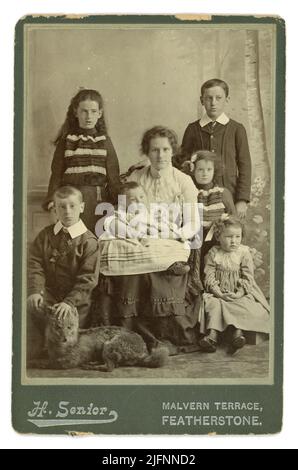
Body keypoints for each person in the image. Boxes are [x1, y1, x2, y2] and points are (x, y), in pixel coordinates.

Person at [27, 186, 99, 360]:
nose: (67, 212)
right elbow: (35, 264)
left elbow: (88, 278)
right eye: (62, 207)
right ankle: (37, 348)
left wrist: (69, 302)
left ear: (81, 207)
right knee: (32, 308)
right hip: (50, 296)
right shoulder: (45, 235)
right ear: (54, 209)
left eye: (72, 206)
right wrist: (36, 290)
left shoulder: (88, 241)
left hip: (76, 303)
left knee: (67, 346)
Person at [43, 88, 120, 232]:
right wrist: (52, 202)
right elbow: (56, 174)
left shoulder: (104, 141)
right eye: (84, 111)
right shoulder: (66, 141)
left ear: (100, 113)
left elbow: (113, 177)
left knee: (93, 241)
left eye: (93, 111)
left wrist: (118, 203)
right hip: (70, 201)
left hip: (97, 201)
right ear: (75, 112)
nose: (88, 116)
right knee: (73, 238)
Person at [178, 78, 251, 221]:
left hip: (229, 195)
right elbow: (183, 161)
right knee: (199, 234)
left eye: (218, 98)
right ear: (202, 100)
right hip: (199, 195)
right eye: (209, 98)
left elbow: (245, 166)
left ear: (227, 100)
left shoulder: (237, 129)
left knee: (228, 235)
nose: (213, 103)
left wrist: (242, 199)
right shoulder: (193, 129)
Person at [198, 216, 270, 353]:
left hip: (239, 291)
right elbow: (209, 276)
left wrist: (239, 293)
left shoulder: (244, 253)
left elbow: (248, 277)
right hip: (218, 292)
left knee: (243, 305)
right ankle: (212, 335)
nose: (234, 241)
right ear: (218, 237)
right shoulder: (213, 253)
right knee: (213, 305)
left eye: (238, 236)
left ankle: (238, 334)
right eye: (229, 237)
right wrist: (218, 293)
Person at [184, 150, 236, 296]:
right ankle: (196, 290)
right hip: (196, 237)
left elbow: (233, 218)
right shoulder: (190, 192)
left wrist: (223, 224)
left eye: (209, 169)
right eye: (200, 169)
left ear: (215, 170)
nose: (204, 173)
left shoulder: (222, 193)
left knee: (215, 262)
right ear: (193, 170)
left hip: (217, 239)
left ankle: (217, 288)